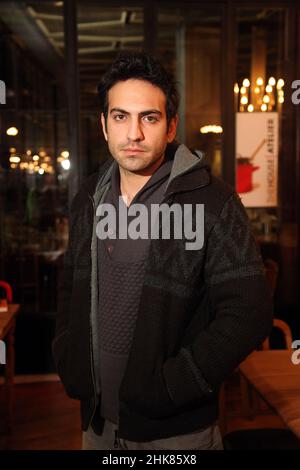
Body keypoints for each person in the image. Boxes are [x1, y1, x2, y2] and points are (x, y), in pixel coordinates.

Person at [52, 52, 273, 450]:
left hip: (178, 433)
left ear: (171, 127)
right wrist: (70, 360)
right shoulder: (88, 197)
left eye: (148, 118)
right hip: (96, 426)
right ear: (104, 125)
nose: (133, 133)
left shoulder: (212, 201)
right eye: (120, 116)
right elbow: (69, 288)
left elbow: (249, 312)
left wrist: (174, 385)